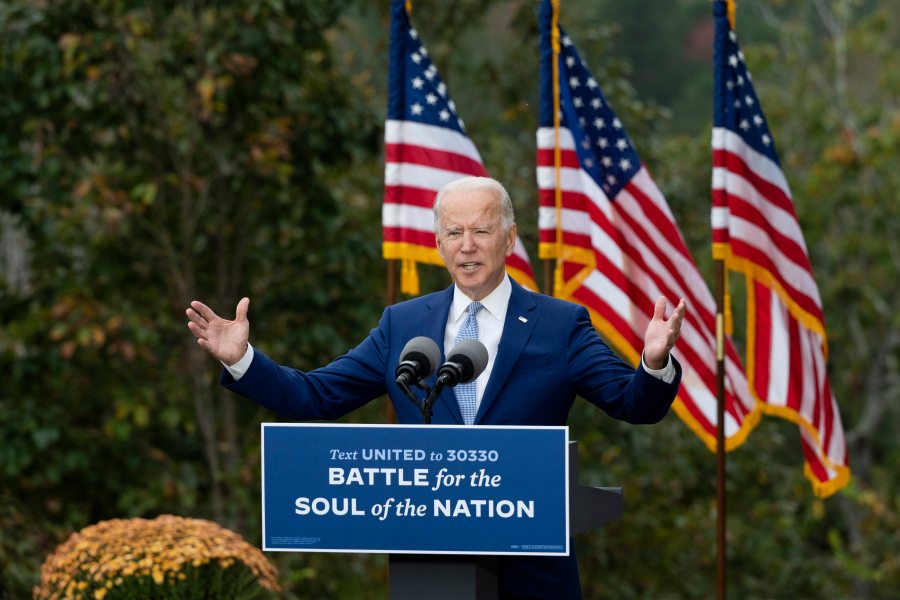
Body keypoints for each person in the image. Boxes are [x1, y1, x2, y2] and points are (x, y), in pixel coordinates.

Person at [186, 176, 686, 599]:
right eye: (454, 232)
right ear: (439, 243)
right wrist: (243, 361)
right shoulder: (402, 324)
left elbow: (632, 403)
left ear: (509, 240)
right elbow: (314, 397)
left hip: (531, 574)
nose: (467, 245)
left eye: (481, 231)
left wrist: (655, 360)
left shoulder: (560, 325)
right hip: (431, 570)